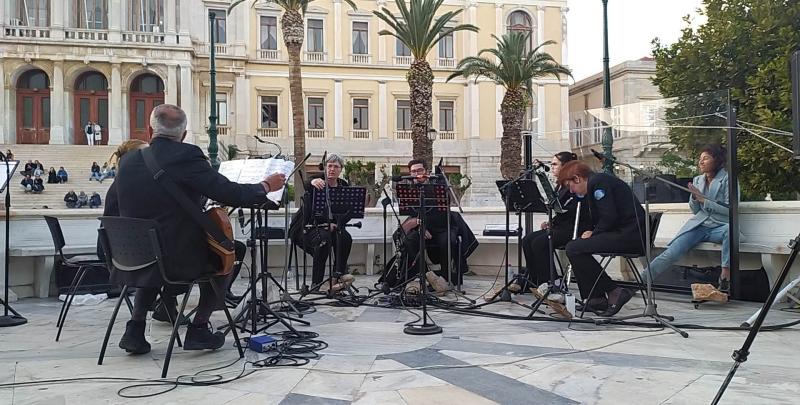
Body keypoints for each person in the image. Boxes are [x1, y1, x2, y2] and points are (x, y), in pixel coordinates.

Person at [112, 104, 285, 354]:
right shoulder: (187, 155)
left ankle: (135, 329)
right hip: (174, 260)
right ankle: (199, 328)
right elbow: (229, 193)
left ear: (150, 130)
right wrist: (265, 186)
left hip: (131, 256)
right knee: (227, 253)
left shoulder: (128, 161)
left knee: (155, 256)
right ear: (183, 134)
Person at [559, 161, 647, 317]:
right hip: (625, 232)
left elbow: (609, 216)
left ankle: (613, 291)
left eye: (570, 186)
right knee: (575, 247)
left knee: (574, 248)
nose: (571, 191)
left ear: (577, 178)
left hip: (629, 235)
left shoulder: (599, 183)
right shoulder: (597, 182)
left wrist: (594, 233)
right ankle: (595, 298)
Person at [643, 145, 734, 293]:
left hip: (719, 226)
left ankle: (725, 276)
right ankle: (641, 280)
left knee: (730, 230)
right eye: (700, 159)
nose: (701, 162)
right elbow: (696, 211)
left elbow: (731, 209)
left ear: (717, 160)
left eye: (705, 158)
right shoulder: (698, 180)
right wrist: (694, 198)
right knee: (671, 253)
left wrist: (704, 200)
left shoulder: (728, 180)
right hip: (699, 226)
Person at [509, 152, 592, 293]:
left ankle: (550, 282)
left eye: (555, 164)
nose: (552, 167)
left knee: (540, 242)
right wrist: (551, 221)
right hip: (561, 226)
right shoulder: (560, 185)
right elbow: (560, 210)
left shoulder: (573, 184)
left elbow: (572, 209)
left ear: (565, 166)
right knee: (527, 239)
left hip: (574, 228)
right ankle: (534, 280)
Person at [392, 159, 478, 293]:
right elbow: (412, 214)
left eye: (420, 170)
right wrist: (421, 227)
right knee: (409, 240)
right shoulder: (407, 190)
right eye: (413, 171)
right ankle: (426, 275)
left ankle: (446, 278)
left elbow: (443, 211)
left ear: (427, 171)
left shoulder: (438, 185)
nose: (417, 174)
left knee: (447, 240)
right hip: (422, 227)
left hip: (442, 227)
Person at [290, 154, 355, 292]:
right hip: (308, 227)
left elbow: (348, 211)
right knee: (323, 240)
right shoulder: (317, 181)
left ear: (341, 169)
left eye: (336, 167)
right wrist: (312, 182)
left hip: (331, 227)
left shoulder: (343, 185)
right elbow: (307, 184)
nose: (332, 169)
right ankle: (316, 283)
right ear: (325, 168)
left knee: (345, 237)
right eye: (329, 166)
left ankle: (338, 275)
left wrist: (337, 224)